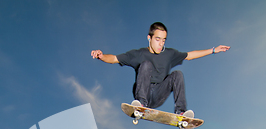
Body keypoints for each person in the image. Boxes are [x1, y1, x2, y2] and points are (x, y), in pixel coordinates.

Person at [91, 22, 230, 118]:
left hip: (159, 94)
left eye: (163, 40)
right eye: (157, 39)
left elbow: (190, 55)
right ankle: (141, 104)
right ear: (149, 38)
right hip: (142, 92)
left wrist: (213, 50)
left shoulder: (169, 54)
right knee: (146, 65)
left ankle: (181, 113)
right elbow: (115, 58)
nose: (161, 44)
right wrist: (101, 56)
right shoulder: (138, 54)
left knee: (177, 74)